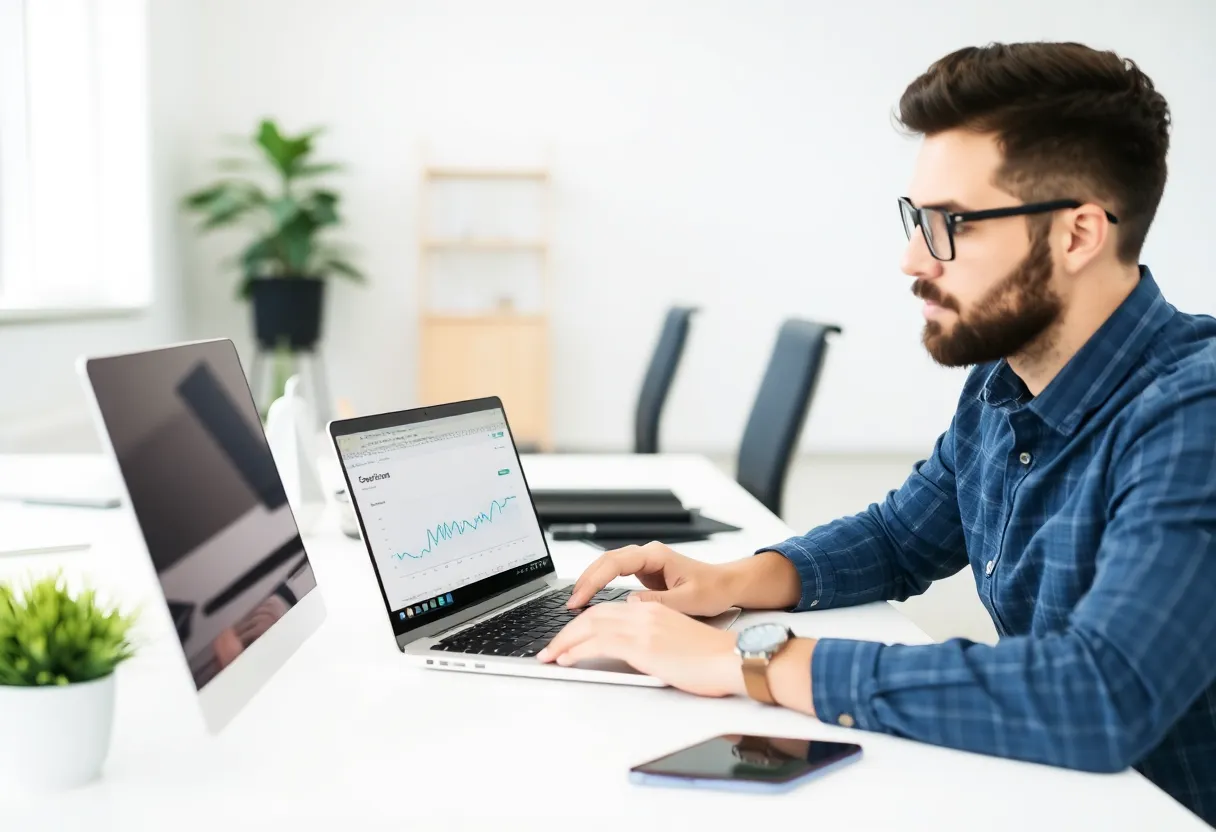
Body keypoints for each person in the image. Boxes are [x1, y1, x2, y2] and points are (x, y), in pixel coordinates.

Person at [537, 41, 1216, 825]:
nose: (910, 259)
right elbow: (901, 538)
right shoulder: (1004, 377)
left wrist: (747, 661)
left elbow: (1100, 694)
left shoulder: (1191, 411)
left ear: (1077, 235)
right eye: (915, 220)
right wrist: (728, 584)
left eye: (948, 224)